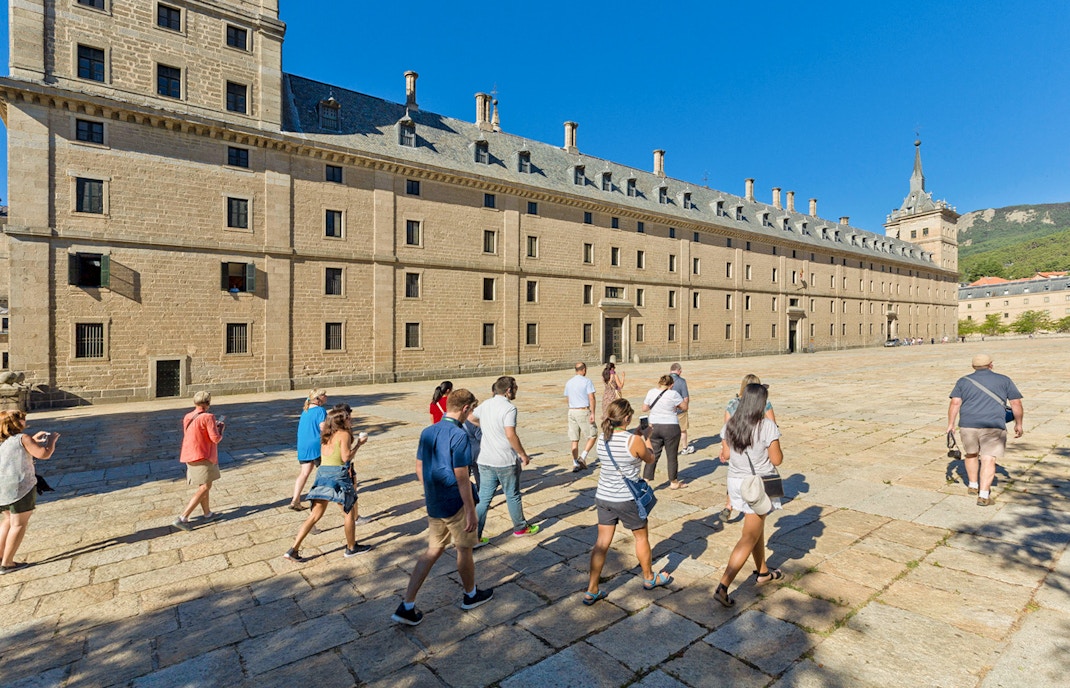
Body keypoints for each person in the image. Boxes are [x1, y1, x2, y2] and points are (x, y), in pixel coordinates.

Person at [392, 389, 492, 626]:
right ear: (466, 409)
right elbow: (462, 477)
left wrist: (431, 492)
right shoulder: (460, 436)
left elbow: (419, 467)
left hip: (435, 502)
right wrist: (470, 510)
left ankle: (407, 604)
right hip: (455, 502)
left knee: (433, 549)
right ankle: (470, 594)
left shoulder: (428, 431)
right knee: (464, 548)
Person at [584, 398, 670, 604]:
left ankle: (592, 588)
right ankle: (649, 577)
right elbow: (650, 458)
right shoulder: (634, 440)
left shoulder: (603, 439)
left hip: (604, 496)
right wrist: (646, 438)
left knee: (601, 543)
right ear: (627, 417)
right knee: (641, 537)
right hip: (626, 498)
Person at [715, 383, 784, 607]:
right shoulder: (767, 426)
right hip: (757, 485)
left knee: (755, 529)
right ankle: (723, 586)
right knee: (748, 536)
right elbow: (777, 460)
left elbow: (725, 453)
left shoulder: (730, 425)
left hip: (736, 483)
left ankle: (762, 572)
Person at [284, 408, 372, 561]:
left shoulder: (326, 435)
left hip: (322, 475)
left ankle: (293, 549)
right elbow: (345, 457)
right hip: (338, 475)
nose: (351, 420)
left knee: (314, 515)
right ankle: (351, 548)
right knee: (349, 513)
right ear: (340, 421)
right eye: (348, 418)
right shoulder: (343, 434)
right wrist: (359, 444)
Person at [947, 354, 1024, 507]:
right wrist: (1019, 423)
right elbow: (1016, 403)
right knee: (988, 458)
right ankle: (983, 495)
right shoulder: (1004, 380)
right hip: (994, 425)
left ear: (973, 366)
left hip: (968, 424)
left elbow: (955, 403)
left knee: (971, 454)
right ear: (991, 365)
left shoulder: (963, 381)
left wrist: (951, 424)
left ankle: (973, 485)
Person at [470, 376, 539, 546]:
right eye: (515, 388)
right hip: (505, 460)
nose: (516, 391)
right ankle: (520, 527)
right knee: (512, 495)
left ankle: (473, 537)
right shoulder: (509, 408)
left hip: (485, 459)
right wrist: (522, 454)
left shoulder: (486, 404)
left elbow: (470, 417)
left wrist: (486, 426)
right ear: (508, 390)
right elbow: (510, 434)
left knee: (484, 498)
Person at [0, 410, 59, 573]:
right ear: (18, 423)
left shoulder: (3, 440)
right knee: (18, 524)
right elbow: (43, 454)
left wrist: (32, 440)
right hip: (20, 487)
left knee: (7, 521)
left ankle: (0, 557)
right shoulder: (23, 438)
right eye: (23, 420)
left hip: (2, 489)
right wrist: (51, 441)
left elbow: (15, 450)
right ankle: (7, 563)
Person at [720, 374, 776, 521]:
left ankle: (729, 504)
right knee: (751, 532)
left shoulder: (732, 404)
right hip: (760, 470)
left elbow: (727, 427)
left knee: (738, 472)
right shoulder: (765, 406)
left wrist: (724, 448)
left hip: (737, 454)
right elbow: (772, 423)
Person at [173, 391, 225, 531]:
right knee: (205, 487)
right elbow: (215, 438)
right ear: (208, 403)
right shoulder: (209, 417)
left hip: (189, 453)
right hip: (203, 455)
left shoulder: (188, 416)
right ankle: (183, 517)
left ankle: (207, 513)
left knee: (204, 485)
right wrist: (220, 429)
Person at [641, 374, 688, 489]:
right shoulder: (673, 394)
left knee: (653, 454)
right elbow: (685, 407)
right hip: (670, 426)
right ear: (671, 385)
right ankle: (673, 482)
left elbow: (644, 408)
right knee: (671, 456)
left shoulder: (651, 392)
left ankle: (646, 480)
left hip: (654, 426)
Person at [291, 389, 328, 511]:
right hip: (316, 445)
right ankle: (319, 497)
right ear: (318, 399)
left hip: (303, 446)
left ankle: (295, 500)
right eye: (324, 395)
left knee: (304, 473)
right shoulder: (320, 410)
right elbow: (323, 427)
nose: (326, 396)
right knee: (327, 470)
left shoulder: (305, 411)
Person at [564, 362, 598, 472]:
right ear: (583, 370)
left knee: (574, 439)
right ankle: (582, 457)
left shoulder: (569, 382)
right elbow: (591, 397)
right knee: (593, 435)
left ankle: (575, 463)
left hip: (572, 411)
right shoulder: (587, 381)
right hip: (583, 411)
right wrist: (592, 413)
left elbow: (567, 399)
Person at [669, 363, 695, 455]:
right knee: (682, 430)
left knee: (670, 431)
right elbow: (685, 398)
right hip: (680, 410)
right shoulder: (682, 381)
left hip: (668, 410)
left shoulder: (665, 380)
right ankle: (684, 448)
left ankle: (671, 449)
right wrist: (685, 407)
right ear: (679, 371)